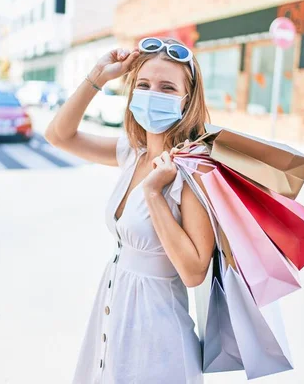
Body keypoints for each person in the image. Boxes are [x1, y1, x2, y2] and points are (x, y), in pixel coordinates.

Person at [45, 38, 215, 383]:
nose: (153, 93)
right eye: (144, 85)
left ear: (187, 100)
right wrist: (98, 76)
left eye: (167, 87)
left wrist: (154, 193)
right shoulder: (132, 153)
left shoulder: (194, 170)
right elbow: (59, 136)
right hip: (113, 319)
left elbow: (195, 272)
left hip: (158, 341)